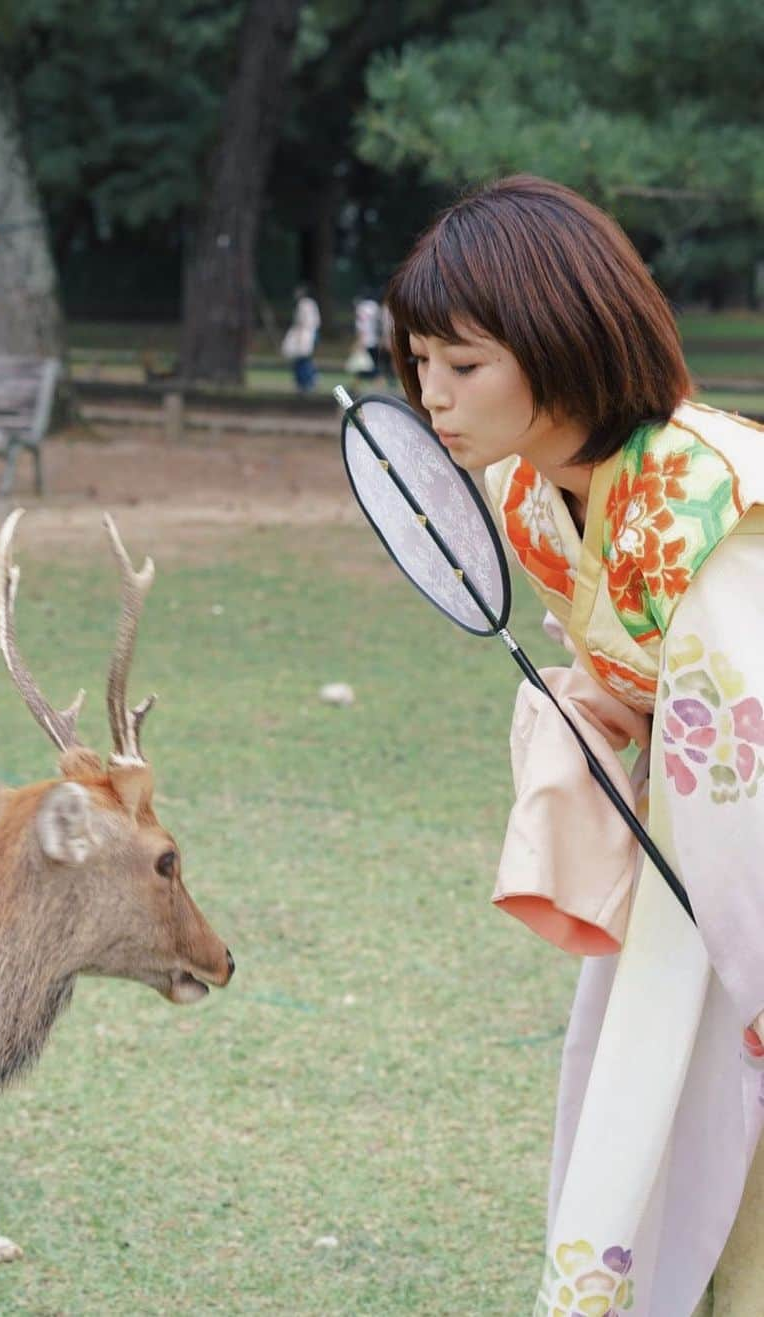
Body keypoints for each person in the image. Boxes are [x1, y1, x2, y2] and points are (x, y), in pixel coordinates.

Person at [385, 174, 764, 1317]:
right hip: (689, 873)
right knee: (656, 1127)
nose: (431, 398)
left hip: (735, 872)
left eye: (463, 365)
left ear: (561, 344)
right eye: (417, 366)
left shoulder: (707, 497)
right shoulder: (522, 498)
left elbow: (732, 757)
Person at [281, 285, 320, 392]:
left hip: (304, 335)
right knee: (305, 359)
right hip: (311, 334)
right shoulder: (312, 303)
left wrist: (298, 338)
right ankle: (309, 381)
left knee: (302, 360)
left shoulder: (303, 304)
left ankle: (305, 383)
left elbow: (301, 322)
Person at [349, 290, 385, 379]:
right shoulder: (375, 306)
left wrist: (358, 342)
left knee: (362, 366)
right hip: (374, 340)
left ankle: (378, 382)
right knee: (371, 364)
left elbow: (361, 327)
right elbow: (380, 324)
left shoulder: (361, 308)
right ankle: (356, 385)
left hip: (365, 341)